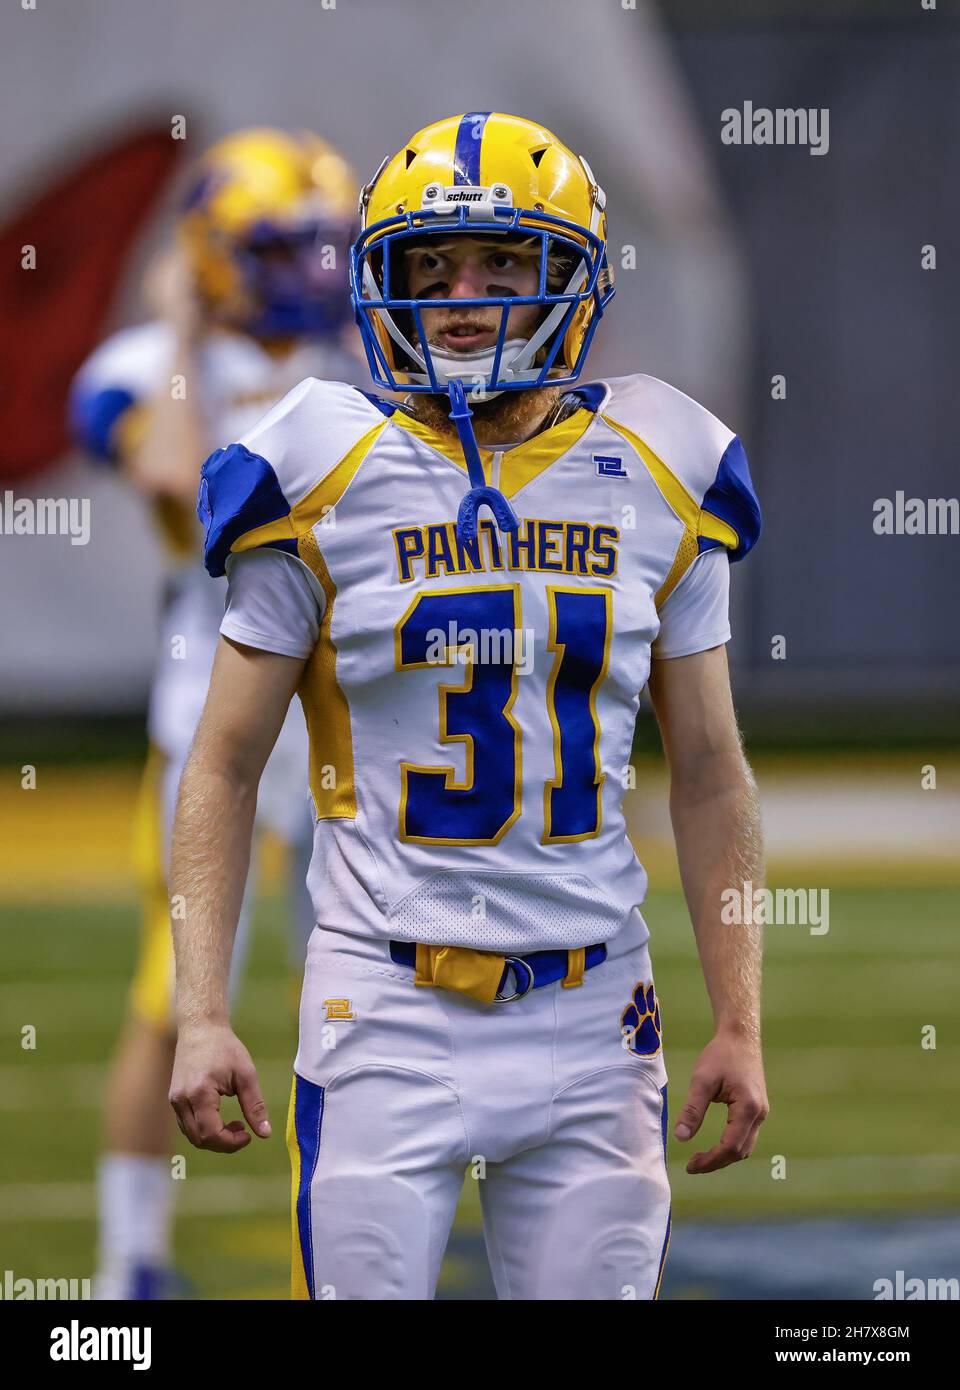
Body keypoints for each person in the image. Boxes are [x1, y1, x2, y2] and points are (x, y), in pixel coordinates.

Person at [169, 112, 769, 1301]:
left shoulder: (663, 460)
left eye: (503, 262)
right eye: (430, 267)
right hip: (382, 1003)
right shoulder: (317, 460)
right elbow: (224, 762)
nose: (463, 296)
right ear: (380, 285)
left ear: (573, 275)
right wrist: (200, 1009)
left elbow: (710, 769)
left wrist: (740, 1017)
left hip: (598, 1007)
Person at [70, 127, 362, 1299]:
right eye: (283, 248)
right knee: (170, 996)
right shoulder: (146, 366)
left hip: (342, 732)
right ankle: (125, 1267)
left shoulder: (365, 366)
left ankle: (337, 1260)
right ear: (210, 256)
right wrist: (188, 333)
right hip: (213, 733)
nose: (315, 274)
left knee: (351, 1000)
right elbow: (184, 493)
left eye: (329, 246)